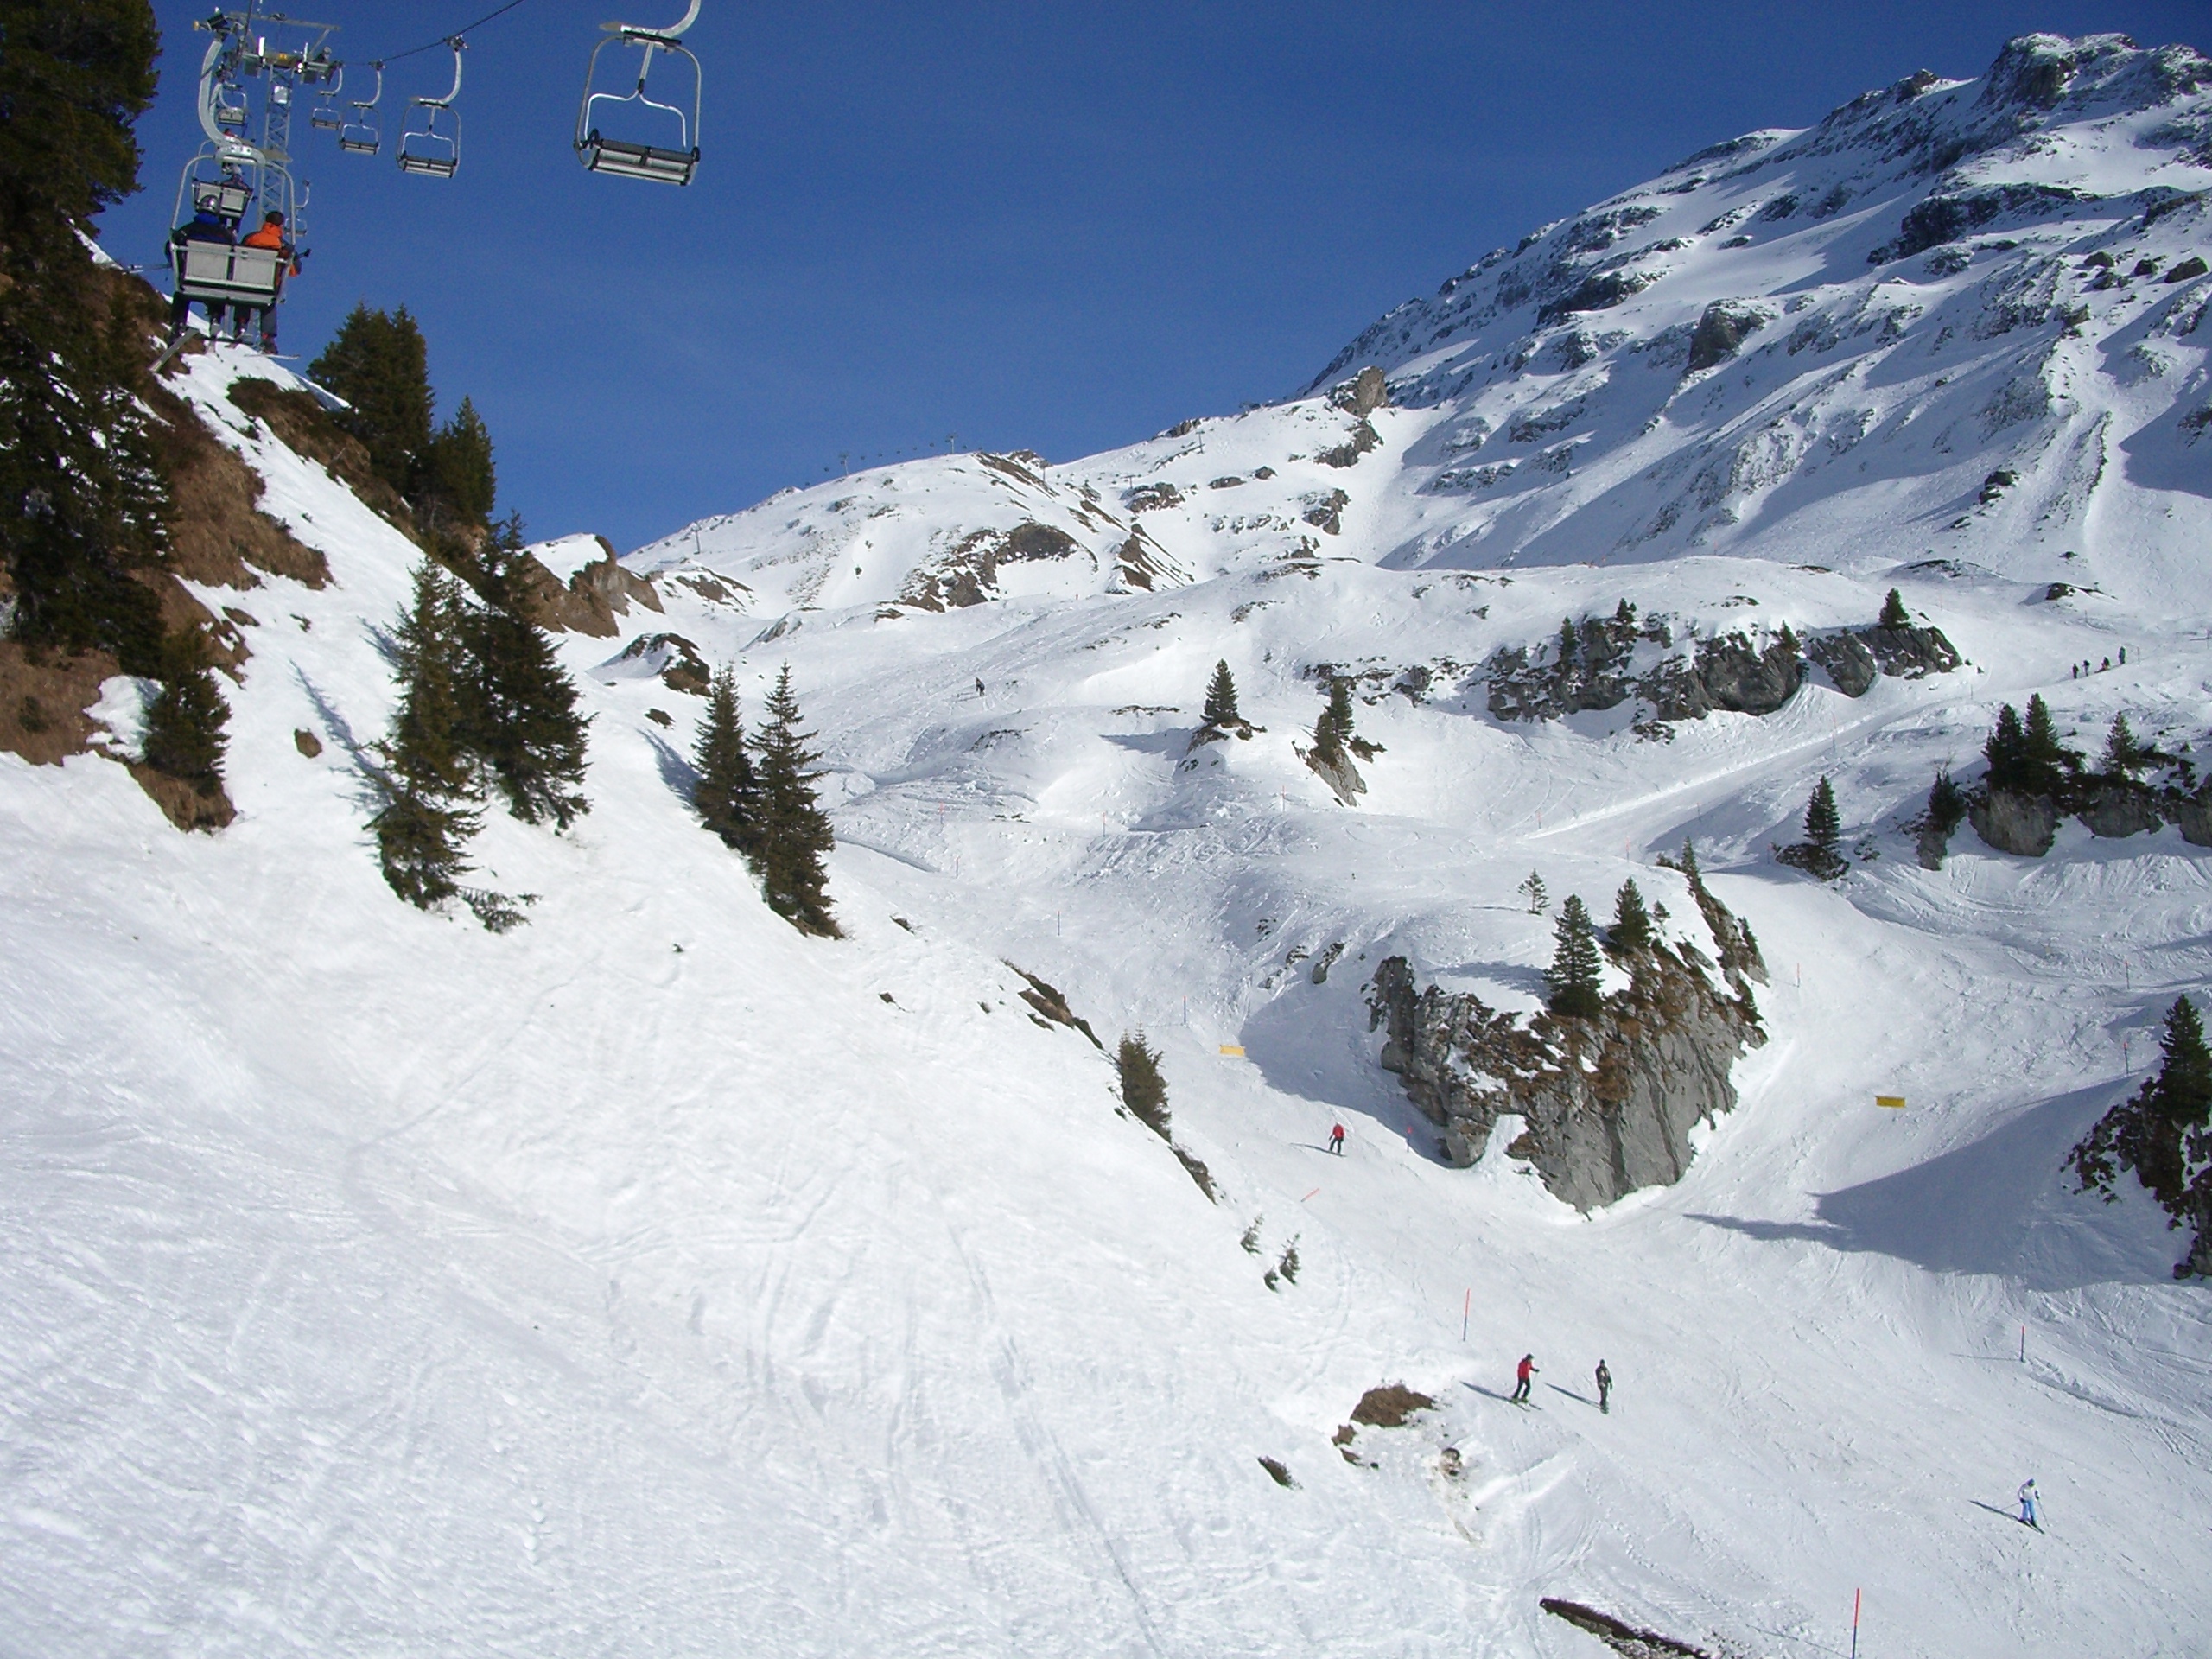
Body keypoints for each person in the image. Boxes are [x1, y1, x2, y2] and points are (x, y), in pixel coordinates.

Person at [168, 207, 236, 340]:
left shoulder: (188, 229)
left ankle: (179, 322)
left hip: (191, 276)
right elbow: (234, 253)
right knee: (217, 295)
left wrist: (178, 265)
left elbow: (171, 246)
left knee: (182, 294)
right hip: (216, 278)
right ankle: (215, 317)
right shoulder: (225, 235)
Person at [237, 211, 301, 352]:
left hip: (246, 281)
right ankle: (268, 339)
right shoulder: (283, 245)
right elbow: (294, 271)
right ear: (281, 226)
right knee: (269, 304)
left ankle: (240, 325)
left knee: (243, 296)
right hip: (268, 285)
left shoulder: (250, 238)